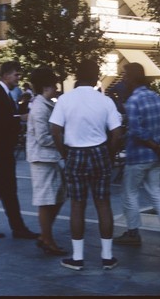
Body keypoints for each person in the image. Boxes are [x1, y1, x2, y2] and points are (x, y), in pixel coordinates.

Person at [50, 59, 123, 271]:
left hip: (75, 153)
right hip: (99, 151)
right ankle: (107, 257)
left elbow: (54, 129)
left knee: (77, 205)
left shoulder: (65, 99)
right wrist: (108, 154)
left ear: (76, 76)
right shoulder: (105, 101)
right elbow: (117, 133)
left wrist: (65, 154)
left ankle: (78, 257)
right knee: (103, 204)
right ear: (95, 77)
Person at [112, 62, 160, 249]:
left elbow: (136, 131)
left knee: (129, 193)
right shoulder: (157, 98)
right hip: (155, 158)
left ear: (132, 78)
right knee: (156, 193)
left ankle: (133, 232)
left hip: (138, 157)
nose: (123, 79)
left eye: (125, 75)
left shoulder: (133, 101)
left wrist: (156, 146)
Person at [0, 61, 39, 240]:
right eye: (16, 75)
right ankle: (17, 227)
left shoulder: (2, 94)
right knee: (8, 189)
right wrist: (21, 118)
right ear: (5, 75)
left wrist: (19, 114)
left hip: (1, 149)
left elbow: (3, 117)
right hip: (1, 149)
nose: (18, 78)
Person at [26, 67, 67, 256]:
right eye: (54, 85)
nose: (56, 88)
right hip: (42, 159)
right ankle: (47, 239)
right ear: (46, 86)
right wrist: (64, 142)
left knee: (58, 197)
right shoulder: (40, 107)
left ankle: (45, 235)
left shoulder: (45, 104)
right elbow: (43, 137)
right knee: (46, 200)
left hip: (49, 158)